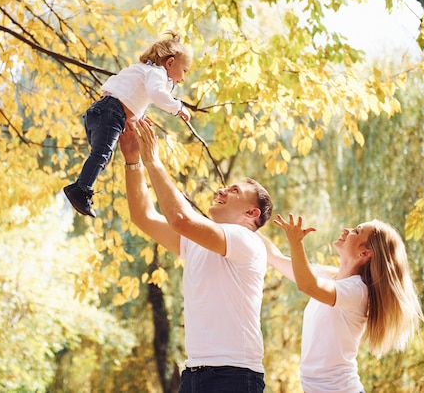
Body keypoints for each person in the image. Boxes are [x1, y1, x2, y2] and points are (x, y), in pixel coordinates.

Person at [119, 119, 273, 393]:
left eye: (234, 190)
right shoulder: (197, 243)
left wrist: (153, 160)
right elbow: (142, 216)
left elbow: (180, 218)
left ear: (252, 214)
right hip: (193, 375)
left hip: (234, 376)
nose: (221, 190)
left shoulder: (246, 241)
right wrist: (133, 162)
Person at [259, 214, 424, 393]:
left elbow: (307, 285)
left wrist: (296, 242)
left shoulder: (358, 292)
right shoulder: (328, 279)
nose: (347, 230)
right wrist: (240, 220)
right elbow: (274, 256)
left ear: (365, 253)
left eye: (356, 231)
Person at [63, 32, 192, 217]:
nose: (183, 78)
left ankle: (80, 186)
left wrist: (137, 117)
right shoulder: (157, 73)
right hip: (110, 114)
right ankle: (80, 189)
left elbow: (129, 96)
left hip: (99, 112)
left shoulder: (141, 70)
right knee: (102, 154)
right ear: (170, 63)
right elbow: (156, 94)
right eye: (185, 70)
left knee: (102, 157)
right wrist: (177, 106)